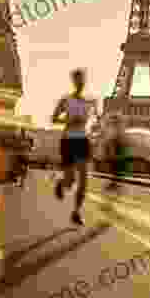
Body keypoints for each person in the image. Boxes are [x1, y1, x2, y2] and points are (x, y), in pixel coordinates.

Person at [51, 68, 97, 226]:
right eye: (77, 80)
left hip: (83, 140)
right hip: (68, 140)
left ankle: (76, 212)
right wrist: (69, 121)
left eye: (82, 79)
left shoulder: (90, 100)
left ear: (84, 81)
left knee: (84, 181)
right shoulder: (66, 100)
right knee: (70, 180)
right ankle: (61, 183)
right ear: (73, 81)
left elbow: (97, 119)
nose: (80, 82)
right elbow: (54, 118)